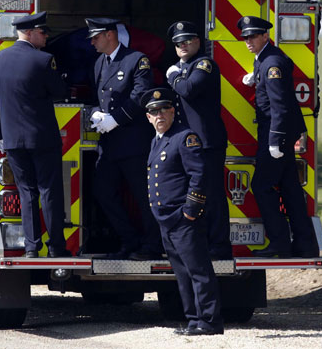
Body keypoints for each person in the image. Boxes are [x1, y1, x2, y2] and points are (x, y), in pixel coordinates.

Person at [0, 11, 70, 258]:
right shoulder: (43, 60)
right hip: (42, 138)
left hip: (12, 140)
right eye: (43, 33)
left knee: (26, 192)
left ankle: (32, 247)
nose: (46, 37)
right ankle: (56, 247)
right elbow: (60, 91)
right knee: (49, 191)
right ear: (30, 33)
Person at [142, 87, 223, 336]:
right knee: (182, 273)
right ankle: (193, 320)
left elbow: (199, 174)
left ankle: (209, 321)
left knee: (199, 270)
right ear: (148, 117)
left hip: (182, 217)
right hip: (166, 220)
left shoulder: (185, 137)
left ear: (172, 111)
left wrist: (191, 209)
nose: (160, 116)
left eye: (164, 110)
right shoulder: (157, 141)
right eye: (154, 112)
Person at [237, 15, 319, 258]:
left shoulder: (271, 63)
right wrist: (256, 75)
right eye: (245, 37)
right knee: (290, 189)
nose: (248, 41)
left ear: (265, 36)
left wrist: (275, 141)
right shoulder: (266, 59)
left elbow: (280, 107)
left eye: (253, 36)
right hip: (280, 133)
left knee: (261, 186)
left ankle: (280, 243)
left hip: (276, 135)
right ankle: (305, 245)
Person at [86, 17, 162, 260]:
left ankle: (151, 246)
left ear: (110, 35)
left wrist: (115, 119)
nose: (93, 42)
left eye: (96, 37)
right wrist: (95, 113)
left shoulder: (136, 60)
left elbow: (141, 95)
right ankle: (129, 240)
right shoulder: (99, 62)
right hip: (109, 145)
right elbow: (98, 96)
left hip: (133, 143)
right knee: (102, 191)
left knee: (143, 195)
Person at [165, 21, 231, 260]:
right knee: (191, 195)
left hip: (207, 141)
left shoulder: (204, 64)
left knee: (211, 194)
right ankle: (199, 242)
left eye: (187, 41)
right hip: (189, 142)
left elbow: (189, 89)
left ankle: (220, 245)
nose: (182, 45)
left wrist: (173, 77)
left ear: (197, 42)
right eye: (177, 43)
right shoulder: (183, 67)